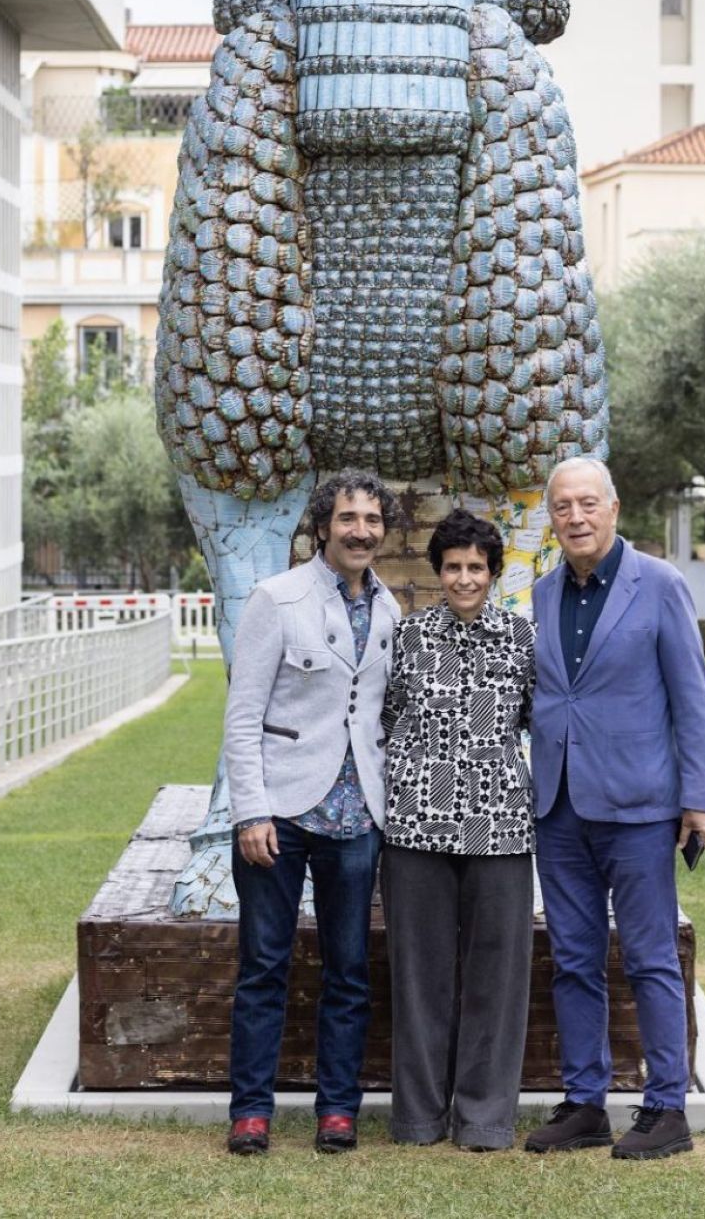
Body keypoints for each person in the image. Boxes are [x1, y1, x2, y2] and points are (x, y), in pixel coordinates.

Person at [525, 456, 705, 1161]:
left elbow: (690, 697)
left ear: (612, 509)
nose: (574, 517)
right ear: (551, 519)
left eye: (586, 503)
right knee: (572, 959)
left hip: (638, 807)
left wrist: (698, 798)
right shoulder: (542, 593)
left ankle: (665, 1110)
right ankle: (584, 1104)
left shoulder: (660, 585)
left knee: (649, 959)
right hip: (559, 806)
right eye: (561, 507)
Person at [222, 468, 400, 1157]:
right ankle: (250, 1113)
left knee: (349, 972)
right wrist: (249, 813)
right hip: (282, 816)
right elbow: (242, 718)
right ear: (323, 524)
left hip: (357, 821)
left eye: (373, 520)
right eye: (349, 518)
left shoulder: (388, 612)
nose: (361, 530)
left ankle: (337, 1109)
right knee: (263, 966)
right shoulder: (276, 598)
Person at [381, 510, 535, 1152]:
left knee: (497, 978)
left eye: (476, 567)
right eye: (453, 567)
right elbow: (385, 720)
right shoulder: (409, 637)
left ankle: (484, 1118)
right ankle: (418, 1118)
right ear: (437, 572)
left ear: (493, 573)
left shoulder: (523, 640)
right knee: (418, 977)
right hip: (416, 826)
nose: (464, 578)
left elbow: (537, 722)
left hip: (499, 829)